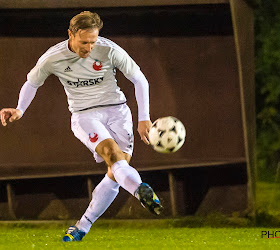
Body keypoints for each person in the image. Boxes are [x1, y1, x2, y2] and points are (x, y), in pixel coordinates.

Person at [0, 11, 163, 242]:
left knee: (116, 172)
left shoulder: (110, 50)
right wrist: (19, 109)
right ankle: (140, 190)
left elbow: (139, 79)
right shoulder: (53, 57)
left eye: (93, 42)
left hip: (118, 111)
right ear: (71, 34)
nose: (89, 47)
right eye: (84, 42)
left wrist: (143, 117)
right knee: (112, 154)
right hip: (84, 115)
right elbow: (32, 83)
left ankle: (82, 226)